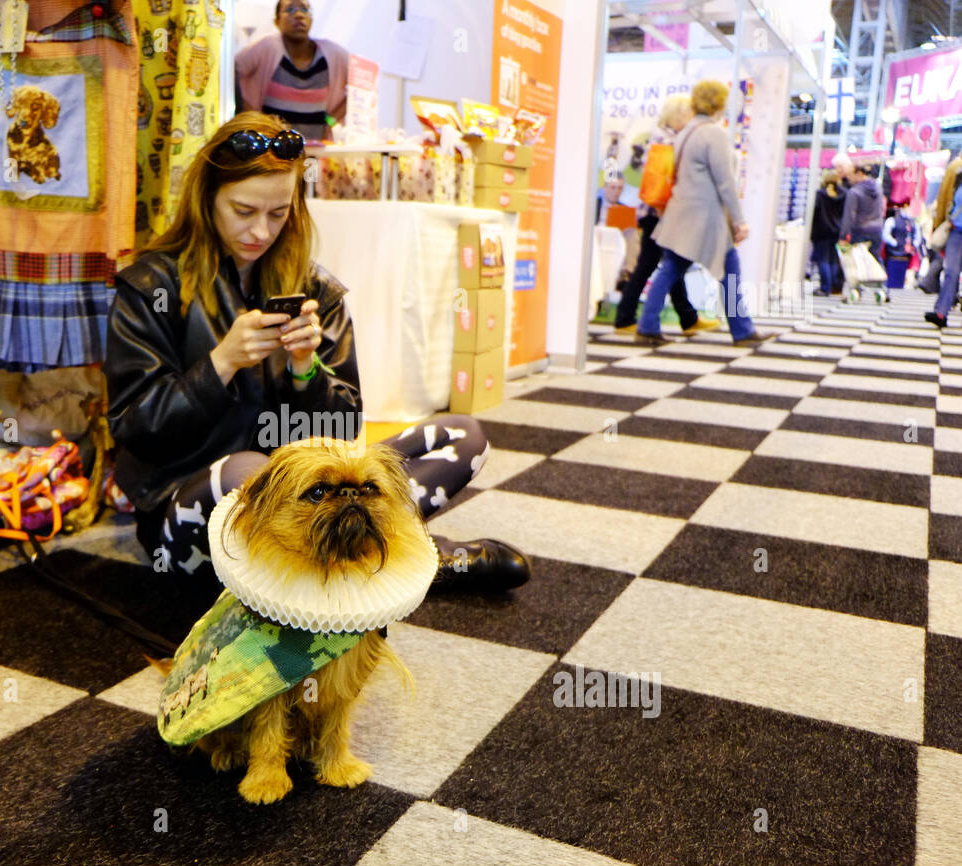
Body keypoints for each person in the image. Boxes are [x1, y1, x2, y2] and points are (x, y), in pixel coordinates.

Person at [104, 112, 530, 590]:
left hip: (311, 499)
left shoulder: (314, 289)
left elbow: (345, 435)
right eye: (243, 211)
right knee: (250, 472)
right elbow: (134, 428)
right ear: (207, 200)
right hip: (189, 514)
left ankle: (347, 561)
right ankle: (405, 562)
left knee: (463, 434)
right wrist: (220, 364)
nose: (260, 232)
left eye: (278, 213)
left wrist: (307, 373)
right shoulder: (150, 286)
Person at [635, 79, 773, 347]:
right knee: (729, 269)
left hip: (681, 213)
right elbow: (725, 182)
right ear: (719, 103)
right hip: (706, 218)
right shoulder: (713, 134)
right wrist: (740, 220)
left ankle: (647, 325)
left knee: (671, 269)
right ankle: (742, 331)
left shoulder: (686, 131)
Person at [614, 94, 718, 336]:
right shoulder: (668, 140)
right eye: (689, 115)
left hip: (656, 212)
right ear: (679, 115)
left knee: (664, 264)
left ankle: (684, 317)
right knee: (661, 264)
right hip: (660, 212)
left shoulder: (662, 137)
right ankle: (628, 318)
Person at [234, 1, 348, 142]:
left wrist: (331, 122)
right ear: (277, 21)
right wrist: (252, 116)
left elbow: (361, 81)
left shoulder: (333, 54)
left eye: (304, 9)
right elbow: (231, 70)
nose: (299, 15)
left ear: (311, 19)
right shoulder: (266, 47)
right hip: (272, 154)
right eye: (290, 9)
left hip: (315, 153)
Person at [925, 154, 962, 328]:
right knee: (951, 272)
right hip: (956, 230)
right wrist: (940, 224)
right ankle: (941, 312)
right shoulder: (958, 173)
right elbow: (947, 200)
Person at [839, 163, 887, 265]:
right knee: (876, 263)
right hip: (877, 230)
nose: (848, 178)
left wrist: (843, 236)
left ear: (859, 173)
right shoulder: (878, 187)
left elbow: (849, 216)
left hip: (860, 232)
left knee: (859, 265)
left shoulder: (854, 192)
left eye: (850, 175)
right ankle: (880, 281)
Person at [810, 169, 845, 297]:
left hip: (822, 231)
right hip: (838, 232)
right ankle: (833, 285)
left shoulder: (820, 195)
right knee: (834, 260)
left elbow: (814, 213)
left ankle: (825, 287)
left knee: (823, 260)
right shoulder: (844, 195)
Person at [882, 201, 920, 290]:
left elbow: (917, 237)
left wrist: (913, 245)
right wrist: (895, 243)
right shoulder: (893, 220)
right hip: (893, 253)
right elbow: (885, 235)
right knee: (893, 279)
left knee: (902, 278)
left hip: (906, 255)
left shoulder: (913, 222)